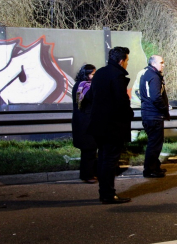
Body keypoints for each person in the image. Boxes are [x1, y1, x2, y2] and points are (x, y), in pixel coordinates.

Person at [86, 46, 134, 204]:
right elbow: (121, 102)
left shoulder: (99, 73)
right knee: (110, 160)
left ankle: (104, 192)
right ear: (121, 61)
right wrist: (129, 114)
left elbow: (89, 97)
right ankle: (108, 194)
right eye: (127, 60)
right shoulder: (117, 76)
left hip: (98, 124)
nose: (127, 64)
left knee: (103, 158)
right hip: (113, 125)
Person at [140, 55, 170, 178]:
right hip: (153, 115)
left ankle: (155, 167)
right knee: (154, 144)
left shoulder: (146, 74)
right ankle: (150, 170)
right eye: (161, 62)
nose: (163, 65)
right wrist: (164, 109)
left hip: (148, 114)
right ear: (153, 64)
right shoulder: (154, 77)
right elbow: (156, 97)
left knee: (154, 143)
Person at [71, 63, 97, 183]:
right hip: (85, 122)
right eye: (93, 74)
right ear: (86, 75)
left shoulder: (79, 85)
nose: (94, 76)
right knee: (89, 149)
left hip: (81, 121)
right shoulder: (85, 87)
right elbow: (90, 103)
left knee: (88, 150)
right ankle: (87, 175)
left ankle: (87, 174)